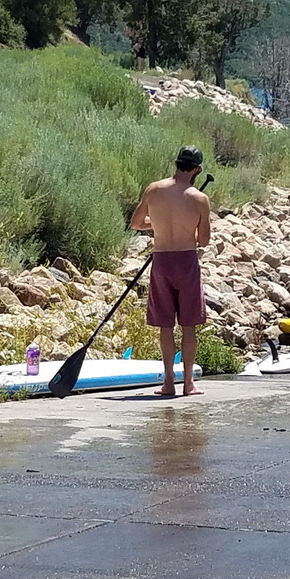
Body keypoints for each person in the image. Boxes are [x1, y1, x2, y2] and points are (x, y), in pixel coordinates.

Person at [130, 145, 211, 396]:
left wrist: (158, 224)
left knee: (166, 325)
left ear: (176, 163)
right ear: (197, 169)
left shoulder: (154, 190)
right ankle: (188, 384)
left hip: (162, 260)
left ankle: (168, 383)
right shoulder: (199, 198)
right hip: (186, 261)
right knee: (188, 326)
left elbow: (135, 223)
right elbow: (204, 241)